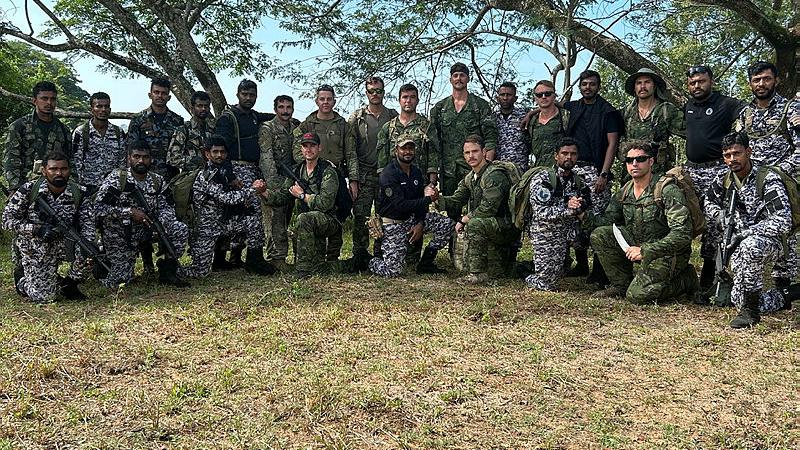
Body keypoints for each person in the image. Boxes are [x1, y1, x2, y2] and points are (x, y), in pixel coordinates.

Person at [579, 141, 699, 304]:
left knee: (638, 295)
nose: (634, 164)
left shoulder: (666, 190)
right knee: (600, 235)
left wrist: (646, 250)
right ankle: (621, 285)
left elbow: (682, 234)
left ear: (651, 161)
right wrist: (582, 214)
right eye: (629, 160)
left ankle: (686, 279)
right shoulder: (625, 191)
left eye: (640, 159)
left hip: (668, 253)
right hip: (637, 245)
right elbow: (606, 221)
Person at [704, 132, 799, 328]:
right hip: (742, 240)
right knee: (738, 299)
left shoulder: (767, 178)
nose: (732, 159)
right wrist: (720, 215)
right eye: (727, 155)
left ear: (748, 152)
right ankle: (789, 294)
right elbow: (708, 201)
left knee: (750, 246)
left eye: (737, 153)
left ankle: (750, 312)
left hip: (776, 241)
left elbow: (783, 220)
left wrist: (746, 232)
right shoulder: (725, 179)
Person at [682, 65, 746, 290]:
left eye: (701, 81)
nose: (697, 86)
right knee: (685, 217)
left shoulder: (726, 104)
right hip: (691, 171)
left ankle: (710, 276)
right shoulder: (688, 105)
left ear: (711, 81)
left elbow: (751, 110)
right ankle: (681, 270)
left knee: (714, 223)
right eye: (692, 83)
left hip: (716, 170)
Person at [95, 142, 189, 287]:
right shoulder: (117, 179)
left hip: (148, 228)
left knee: (179, 228)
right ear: (129, 158)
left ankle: (168, 269)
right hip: (120, 234)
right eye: (136, 156)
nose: (141, 161)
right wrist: (129, 212)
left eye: (145, 157)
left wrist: (160, 223)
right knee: (121, 281)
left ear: (151, 159)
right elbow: (98, 208)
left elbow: (167, 207)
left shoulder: (157, 181)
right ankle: (102, 263)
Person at [2, 152, 92, 303]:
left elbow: (88, 226)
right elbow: (6, 220)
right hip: (36, 246)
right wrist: (36, 229)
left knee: (91, 251)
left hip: (65, 242)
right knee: (45, 297)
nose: (59, 173)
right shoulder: (29, 190)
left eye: (63, 169)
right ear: (44, 171)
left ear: (69, 170)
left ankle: (69, 284)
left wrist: (87, 249)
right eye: (53, 169)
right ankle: (22, 280)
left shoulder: (80, 193)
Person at [179, 136, 275, 278]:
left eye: (222, 152)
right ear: (207, 154)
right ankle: (170, 268)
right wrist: (254, 190)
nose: (219, 155)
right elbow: (227, 198)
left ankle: (255, 262)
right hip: (206, 228)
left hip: (223, 222)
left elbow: (232, 195)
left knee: (253, 221)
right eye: (215, 152)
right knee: (200, 273)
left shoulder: (223, 172)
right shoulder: (206, 175)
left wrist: (245, 200)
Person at [435, 134, 518, 284]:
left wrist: (464, 219)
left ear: (484, 152)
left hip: (506, 226)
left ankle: (478, 274)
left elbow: (488, 208)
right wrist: (435, 198)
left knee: (474, 223)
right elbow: (456, 200)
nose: (471, 156)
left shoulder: (494, 175)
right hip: (491, 224)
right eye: (467, 153)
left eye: (475, 151)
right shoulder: (471, 177)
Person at [262, 132, 344, 279]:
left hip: (330, 220)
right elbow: (282, 197)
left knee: (303, 219)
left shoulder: (328, 172)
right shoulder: (297, 171)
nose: (309, 149)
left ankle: (302, 271)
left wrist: (302, 196)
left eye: (312, 146)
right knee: (320, 268)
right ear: (301, 149)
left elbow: (325, 204)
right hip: (310, 223)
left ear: (319, 148)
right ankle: (343, 264)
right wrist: (264, 192)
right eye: (305, 146)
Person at [368, 135, 454, 277]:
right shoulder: (388, 174)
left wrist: (420, 223)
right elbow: (400, 205)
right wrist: (428, 200)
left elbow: (419, 202)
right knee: (393, 272)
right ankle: (368, 260)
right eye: (403, 148)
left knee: (447, 224)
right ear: (396, 151)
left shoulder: (416, 172)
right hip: (393, 223)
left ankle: (426, 262)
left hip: (411, 219)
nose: (407, 152)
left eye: (411, 148)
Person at [293, 84, 358, 262]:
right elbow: (298, 150)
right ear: (317, 101)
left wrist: (353, 180)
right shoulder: (308, 124)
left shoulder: (343, 125)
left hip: (337, 175)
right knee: (316, 210)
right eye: (322, 99)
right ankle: (316, 254)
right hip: (315, 176)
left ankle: (333, 256)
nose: (326, 102)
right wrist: (311, 164)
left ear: (334, 101)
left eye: (329, 99)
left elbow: (351, 153)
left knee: (338, 211)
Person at [430, 62, 498, 220]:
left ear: (468, 79)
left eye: (462, 75)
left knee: (475, 211)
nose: (458, 78)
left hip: (473, 169)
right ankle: (453, 236)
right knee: (451, 213)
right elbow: (433, 143)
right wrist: (433, 175)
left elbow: (490, 138)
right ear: (450, 80)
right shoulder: (440, 108)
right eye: (455, 75)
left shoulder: (480, 106)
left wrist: (486, 169)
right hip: (449, 171)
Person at [524, 138, 592, 291]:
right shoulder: (543, 179)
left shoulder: (578, 179)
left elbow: (587, 200)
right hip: (546, 231)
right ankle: (526, 273)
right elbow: (541, 212)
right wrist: (569, 208)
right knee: (546, 283)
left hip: (568, 229)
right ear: (556, 156)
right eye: (564, 153)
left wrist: (579, 203)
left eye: (573, 154)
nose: (569, 157)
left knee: (598, 235)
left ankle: (598, 275)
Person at [215, 79, 269, 267]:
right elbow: (220, 149)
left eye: (252, 95)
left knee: (246, 213)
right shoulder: (227, 118)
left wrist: (290, 118)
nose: (248, 98)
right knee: (233, 214)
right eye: (245, 94)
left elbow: (269, 116)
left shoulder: (254, 116)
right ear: (237, 95)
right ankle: (220, 259)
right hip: (235, 170)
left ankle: (236, 257)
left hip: (252, 170)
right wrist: (230, 176)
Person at [347, 77, 399, 269]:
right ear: (366, 93)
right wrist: (353, 178)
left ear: (383, 92)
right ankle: (359, 255)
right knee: (361, 216)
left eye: (378, 91)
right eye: (371, 91)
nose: (375, 94)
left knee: (385, 215)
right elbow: (350, 150)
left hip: (386, 175)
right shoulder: (357, 118)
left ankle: (380, 253)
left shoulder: (392, 116)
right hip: (363, 174)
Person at [4, 81, 72, 190]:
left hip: (55, 187)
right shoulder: (19, 126)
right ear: (35, 101)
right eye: (44, 98)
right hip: (26, 186)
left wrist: (72, 188)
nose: (49, 103)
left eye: (53, 99)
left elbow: (69, 161)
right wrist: (16, 188)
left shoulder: (63, 130)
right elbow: (11, 160)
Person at [735, 61, 800, 175]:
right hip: (752, 177)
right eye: (756, 80)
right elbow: (740, 149)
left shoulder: (792, 109)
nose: (761, 84)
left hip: (784, 177)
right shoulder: (745, 114)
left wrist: (777, 172)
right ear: (749, 84)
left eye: (767, 79)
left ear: (776, 81)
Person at [259, 95, 299, 270]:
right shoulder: (267, 128)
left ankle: (282, 256)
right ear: (275, 109)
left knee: (286, 219)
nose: (285, 111)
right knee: (276, 220)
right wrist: (273, 185)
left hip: (291, 180)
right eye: (281, 107)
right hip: (274, 180)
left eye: (288, 107)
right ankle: (276, 257)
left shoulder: (295, 128)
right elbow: (266, 158)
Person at [620, 68, 684, 175]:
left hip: (658, 173)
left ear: (654, 86)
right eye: (639, 83)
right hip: (631, 173)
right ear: (634, 88)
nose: (642, 86)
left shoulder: (666, 110)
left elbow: (691, 133)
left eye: (647, 82)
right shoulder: (625, 113)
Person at [376, 83, 439, 181]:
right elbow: (382, 164)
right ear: (399, 100)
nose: (408, 101)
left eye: (412, 97)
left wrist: (432, 183)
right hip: (395, 182)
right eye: (405, 97)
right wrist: (385, 183)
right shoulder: (388, 128)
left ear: (417, 100)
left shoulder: (427, 126)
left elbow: (433, 158)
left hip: (420, 182)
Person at [126, 78, 184, 179]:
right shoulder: (138, 120)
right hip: (145, 175)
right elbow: (131, 149)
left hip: (171, 177)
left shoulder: (177, 121)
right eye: (156, 92)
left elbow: (181, 150)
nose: (160, 96)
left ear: (169, 97)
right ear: (150, 95)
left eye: (164, 93)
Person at [71, 92, 127, 195]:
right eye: (99, 106)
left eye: (106, 106)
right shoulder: (81, 132)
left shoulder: (118, 133)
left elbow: (122, 162)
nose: (103, 110)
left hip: (112, 189)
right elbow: (76, 162)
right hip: (87, 189)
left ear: (110, 109)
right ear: (92, 109)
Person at [167, 91, 215, 173]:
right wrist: (195, 161)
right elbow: (172, 158)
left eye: (206, 106)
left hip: (211, 175)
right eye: (199, 106)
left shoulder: (213, 130)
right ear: (192, 109)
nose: (203, 109)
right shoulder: (183, 130)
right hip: (191, 176)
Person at [527, 80, 570, 169]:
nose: (543, 97)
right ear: (535, 98)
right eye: (539, 95)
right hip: (539, 170)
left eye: (547, 94)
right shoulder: (532, 121)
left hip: (561, 169)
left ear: (554, 95)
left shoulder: (566, 116)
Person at [493, 81, 531, 172]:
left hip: (519, 168)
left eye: (509, 95)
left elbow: (544, 108)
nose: (505, 98)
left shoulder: (524, 115)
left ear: (515, 98)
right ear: (497, 98)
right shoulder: (492, 118)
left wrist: (531, 113)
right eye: (502, 95)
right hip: (498, 168)